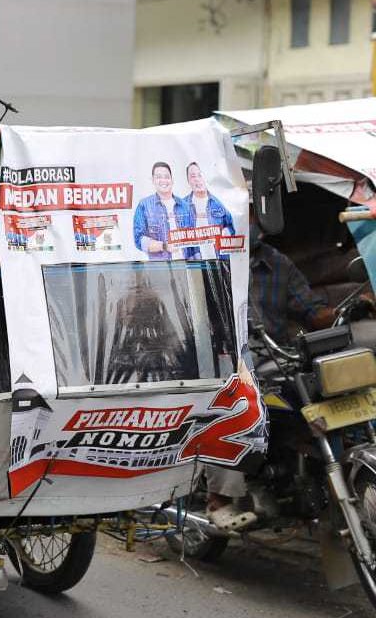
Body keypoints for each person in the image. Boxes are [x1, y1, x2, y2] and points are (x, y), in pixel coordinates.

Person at [205, 219, 341, 531]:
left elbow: (312, 310)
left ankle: (302, 471)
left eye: (255, 214)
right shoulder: (210, 258)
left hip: (272, 356)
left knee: (317, 389)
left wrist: (343, 312)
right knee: (233, 401)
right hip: (225, 358)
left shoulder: (277, 263)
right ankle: (219, 497)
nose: (250, 221)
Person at [133, 161, 197, 261]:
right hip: (161, 268)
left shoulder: (185, 206)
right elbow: (139, 240)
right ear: (153, 180)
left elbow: (194, 243)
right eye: (159, 177)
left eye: (167, 177)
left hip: (186, 266)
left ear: (172, 180)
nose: (163, 180)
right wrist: (163, 246)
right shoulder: (144, 205)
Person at [184, 162, 235, 259]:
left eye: (200, 175)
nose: (197, 179)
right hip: (196, 264)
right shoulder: (182, 206)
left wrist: (225, 232)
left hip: (220, 261)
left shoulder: (219, 202)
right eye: (193, 176)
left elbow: (231, 227)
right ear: (188, 181)